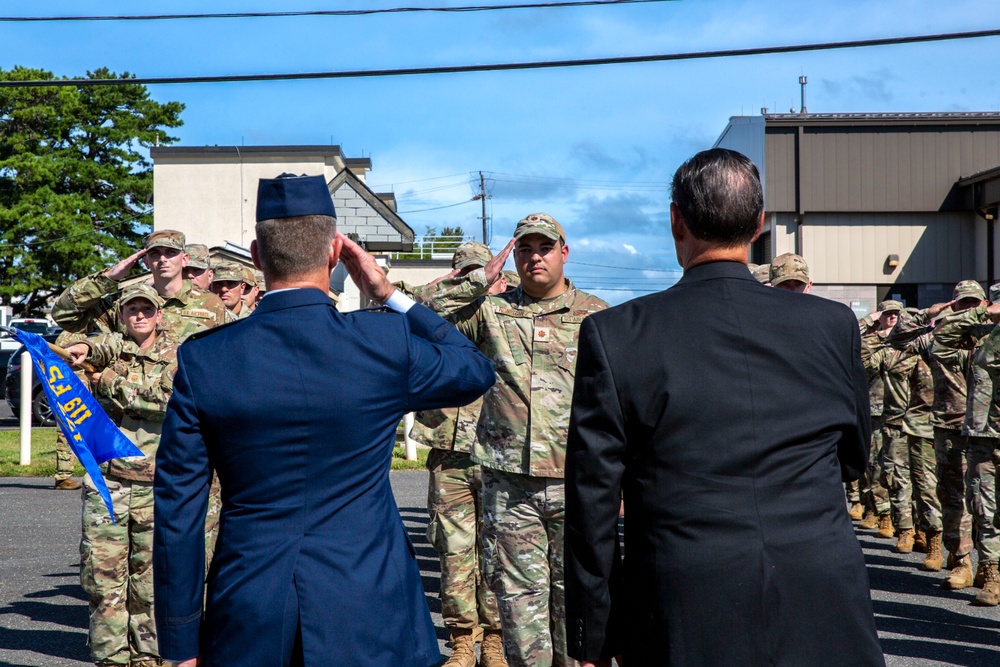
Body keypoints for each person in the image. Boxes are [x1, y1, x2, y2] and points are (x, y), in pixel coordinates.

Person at [152, 173, 496, 667]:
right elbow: (473, 369)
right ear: (336, 253)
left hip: (250, 606)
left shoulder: (206, 360)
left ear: (255, 255)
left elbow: (178, 510)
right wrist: (389, 293)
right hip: (371, 607)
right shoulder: (381, 342)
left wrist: (181, 643)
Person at [564, 148, 883, 666]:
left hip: (683, 594)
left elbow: (592, 504)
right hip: (820, 586)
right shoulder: (831, 325)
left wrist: (595, 635)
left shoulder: (617, 334)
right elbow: (851, 456)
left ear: (676, 221)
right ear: (758, 224)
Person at [421, 213, 608, 667]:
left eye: (544, 247)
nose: (534, 257)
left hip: (574, 485)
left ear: (564, 252)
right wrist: (476, 281)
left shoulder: (597, 316)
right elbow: (424, 313)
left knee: (574, 616)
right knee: (521, 617)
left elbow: (621, 400)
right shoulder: (491, 311)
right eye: (524, 249)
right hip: (509, 489)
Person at [399, 241, 508, 667]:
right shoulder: (436, 313)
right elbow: (401, 303)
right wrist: (458, 286)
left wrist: (491, 287)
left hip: (501, 447)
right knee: (453, 550)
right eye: (465, 274)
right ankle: (463, 641)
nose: (475, 282)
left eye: (481, 273)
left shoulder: (506, 305)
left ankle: (496, 641)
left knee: (499, 550)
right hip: (449, 449)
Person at [64, 283, 180, 667]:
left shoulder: (178, 354)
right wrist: (87, 351)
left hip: (155, 484)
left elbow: (163, 401)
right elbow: (95, 345)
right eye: (133, 310)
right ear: (123, 316)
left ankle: (149, 655)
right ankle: (110, 657)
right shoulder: (113, 348)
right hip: (108, 482)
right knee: (102, 576)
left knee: (150, 582)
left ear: (159, 315)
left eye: (147, 310)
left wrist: (108, 383)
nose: (140, 316)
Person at [889, 282, 984, 590]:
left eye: (974, 303)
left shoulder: (992, 337)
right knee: (952, 495)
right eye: (962, 304)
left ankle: (989, 564)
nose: (967, 309)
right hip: (949, 426)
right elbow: (897, 339)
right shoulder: (936, 338)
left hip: (988, 429)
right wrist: (925, 314)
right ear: (952, 306)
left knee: (986, 500)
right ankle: (960, 562)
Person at [51, 230, 229, 339]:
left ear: (184, 259)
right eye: (155, 253)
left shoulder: (211, 305)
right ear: (146, 261)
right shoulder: (126, 303)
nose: (163, 259)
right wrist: (109, 278)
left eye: (170, 252)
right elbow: (64, 315)